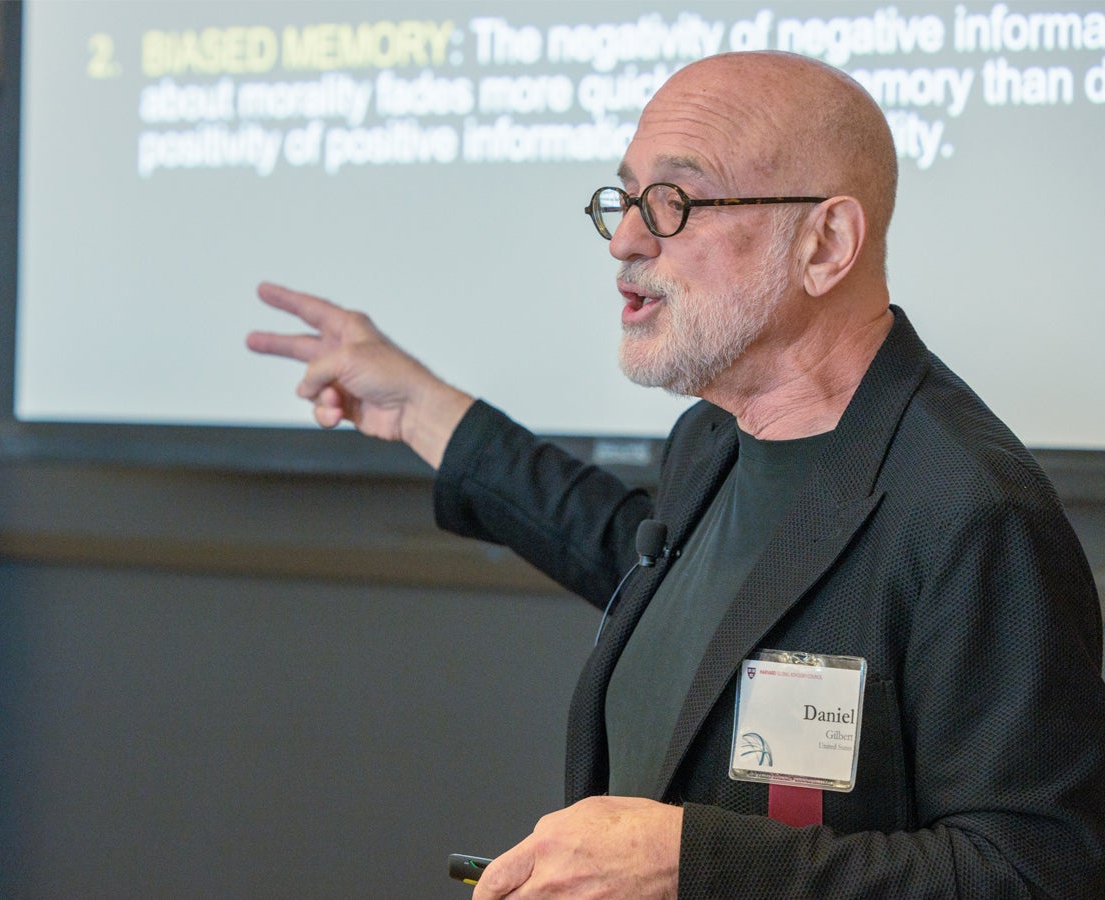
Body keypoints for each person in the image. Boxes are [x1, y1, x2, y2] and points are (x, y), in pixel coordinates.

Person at [247, 51, 1105, 898]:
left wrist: (688, 865)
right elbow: (662, 577)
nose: (624, 239)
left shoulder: (972, 512)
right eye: (625, 197)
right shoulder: (713, 439)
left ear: (827, 243)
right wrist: (423, 409)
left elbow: (1033, 873)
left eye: (676, 200)